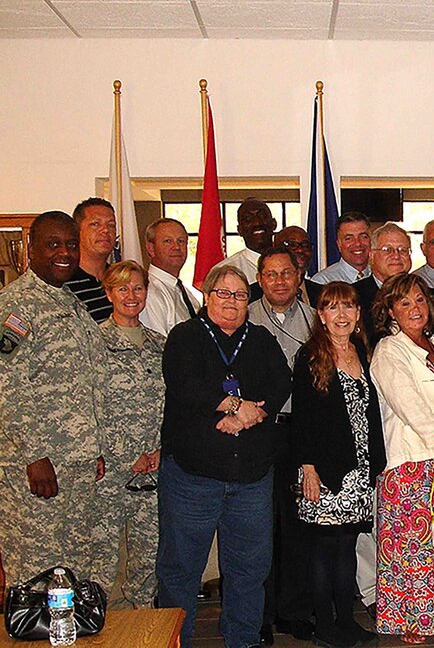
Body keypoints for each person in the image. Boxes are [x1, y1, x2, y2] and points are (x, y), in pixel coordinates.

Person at [156, 264, 292, 648]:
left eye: (240, 295)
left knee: (249, 569)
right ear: (206, 295)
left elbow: (279, 383)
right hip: (193, 477)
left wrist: (248, 416)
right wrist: (235, 405)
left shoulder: (262, 338)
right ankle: (174, 640)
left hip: (250, 478)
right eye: (223, 293)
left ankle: (243, 639)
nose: (232, 302)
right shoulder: (184, 336)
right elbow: (185, 385)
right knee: (181, 570)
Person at [0, 211, 106, 588]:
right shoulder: (17, 306)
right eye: (53, 244)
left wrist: (93, 448)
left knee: (74, 567)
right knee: (35, 568)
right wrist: (34, 454)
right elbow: (7, 384)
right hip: (38, 468)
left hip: (75, 465)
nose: (64, 252)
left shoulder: (72, 304)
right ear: (30, 249)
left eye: (71, 244)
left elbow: (86, 383)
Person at [369, 273, 434, 643]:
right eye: (404, 302)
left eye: (420, 300)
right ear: (390, 310)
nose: (414, 308)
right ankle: (411, 617)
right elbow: (407, 404)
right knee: (410, 546)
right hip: (411, 460)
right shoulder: (389, 350)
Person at [292, 282, 385, 648]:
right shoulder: (312, 355)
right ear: (321, 315)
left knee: (347, 546)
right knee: (325, 548)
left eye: (348, 307)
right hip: (326, 472)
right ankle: (326, 626)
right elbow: (303, 417)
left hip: (358, 468)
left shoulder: (362, 351)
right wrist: (308, 468)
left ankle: (346, 621)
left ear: (358, 314)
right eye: (333, 308)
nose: (342, 315)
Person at [248, 247, 317, 643]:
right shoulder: (245, 317)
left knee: (297, 525)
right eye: (270, 274)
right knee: (257, 526)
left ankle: (293, 610)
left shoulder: (314, 320)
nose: (279, 281)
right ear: (260, 278)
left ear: (298, 276)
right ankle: (259, 613)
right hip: (258, 431)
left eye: (286, 273)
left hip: (301, 431)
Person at [92, 260, 165, 608]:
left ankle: (144, 630)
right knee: (102, 563)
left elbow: (175, 404)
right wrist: (124, 454)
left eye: (138, 288)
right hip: (109, 470)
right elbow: (87, 406)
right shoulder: (94, 342)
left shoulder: (161, 345)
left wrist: (161, 452)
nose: (131, 296)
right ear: (109, 293)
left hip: (153, 470)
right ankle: (98, 628)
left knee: (147, 560)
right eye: (122, 288)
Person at [140, 218, 202, 337]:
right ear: (151, 248)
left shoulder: (185, 293)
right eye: (168, 241)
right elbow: (159, 348)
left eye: (181, 241)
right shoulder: (149, 294)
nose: (176, 247)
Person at [354, 223, 413, 339]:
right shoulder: (354, 296)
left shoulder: (428, 297)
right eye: (387, 250)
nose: (396, 256)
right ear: (371, 255)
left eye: (403, 250)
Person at [65, 197, 116, 322]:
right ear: (77, 231)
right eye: (95, 224)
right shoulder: (63, 284)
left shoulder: (120, 279)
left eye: (111, 225)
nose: (105, 230)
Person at [246, 226, 322, 306]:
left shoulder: (321, 293)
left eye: (305, 245)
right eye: (291, 244)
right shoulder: (250, 296)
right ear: (275, 248)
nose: (300, 250)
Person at [213, 197, 278, 283]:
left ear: (274, 224)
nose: (257, 223)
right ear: (239, 230)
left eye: (262, 216)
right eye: (248, 219)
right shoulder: (223, 272)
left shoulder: (291, 265)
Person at [312, 211, 373, 283]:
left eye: (363, 237)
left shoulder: (380, 277)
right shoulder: (323, 282)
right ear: (339, 245)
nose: (358, 243)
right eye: (349, 238)